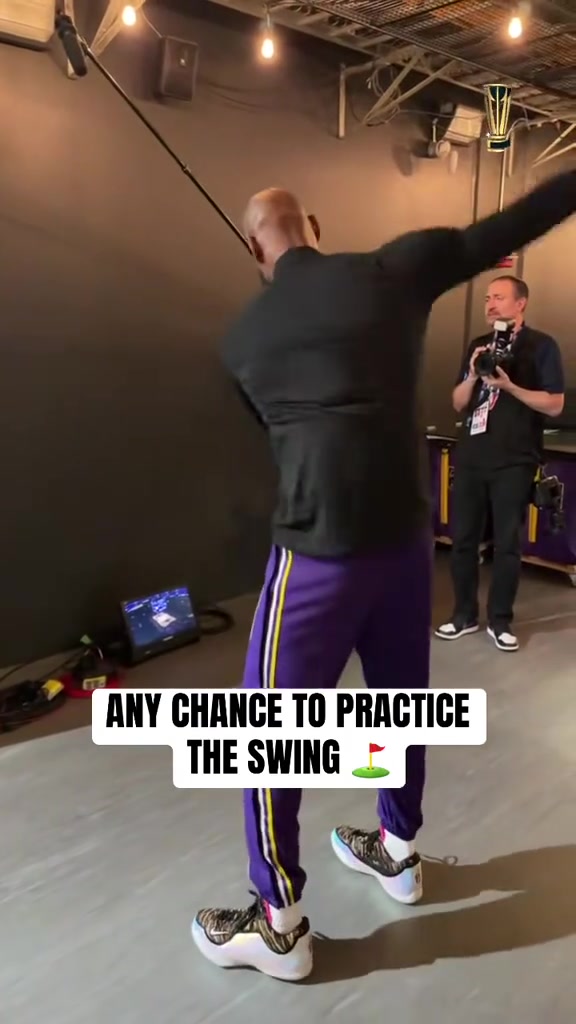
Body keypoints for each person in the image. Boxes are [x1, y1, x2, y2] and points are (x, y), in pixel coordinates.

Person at [192, 172, 576, 981]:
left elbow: (275, 431)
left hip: (317, 558)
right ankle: (398, 851)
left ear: (253, 247)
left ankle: (278, 926)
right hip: (405, 549)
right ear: (316, 224)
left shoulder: (241, 341)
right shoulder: (395, 269)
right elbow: (512, 222)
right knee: (397, 706)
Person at [435, 275, 565, 652]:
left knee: (507, 543)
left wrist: (509, 387)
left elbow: (554, 405)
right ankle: (463, 615)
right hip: (472, 456)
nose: (490, 304)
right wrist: (473, 374)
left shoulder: (542, 346)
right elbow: (458, 402)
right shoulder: (478, 345)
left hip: (514, 460)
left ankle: (500, 620)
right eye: (487, 298)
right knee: (463, 540)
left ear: (520, 303)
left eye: (499, 297)